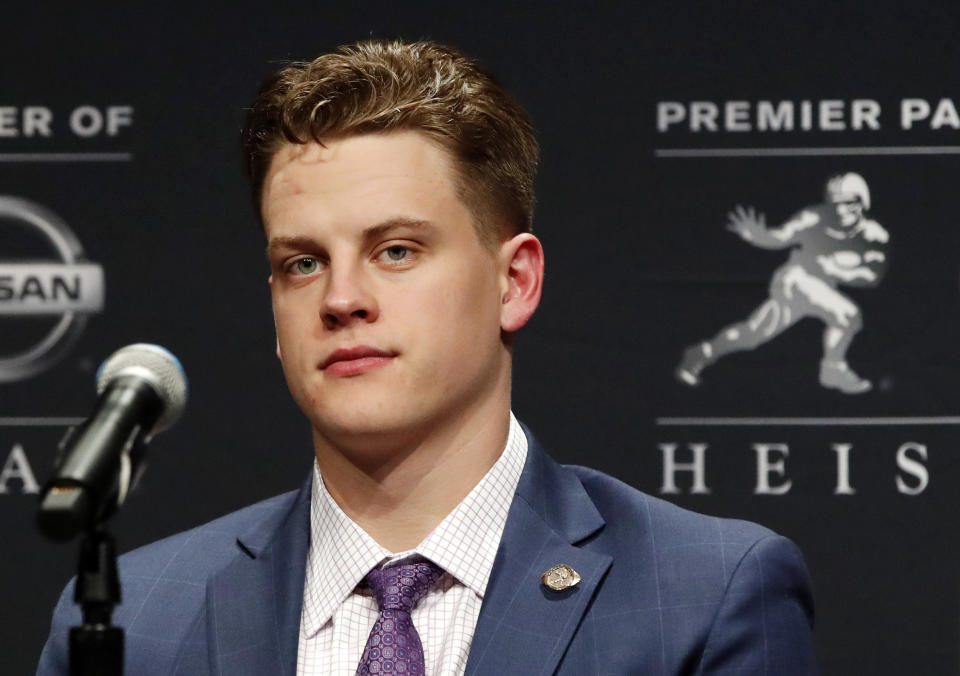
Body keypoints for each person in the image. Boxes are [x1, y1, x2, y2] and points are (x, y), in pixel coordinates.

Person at [38, 39, 816, 675]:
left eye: (398, 250)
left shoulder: (704, 596)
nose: (341, 298)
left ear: (514, 283)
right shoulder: (132, 619)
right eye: (303, 263)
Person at [676, 172, 889, 394]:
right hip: (795, 280)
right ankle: (832, 369)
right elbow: (780, 237)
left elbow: (872, 277)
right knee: (848, 315)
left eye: (849, 202)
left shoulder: (875, 236)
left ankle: (702, 352)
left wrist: (836, 270)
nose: (841, 210)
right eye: (836, 203)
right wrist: (758, 236)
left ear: (863, 201)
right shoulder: (813, 217)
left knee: (751, 334)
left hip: (821, 288)